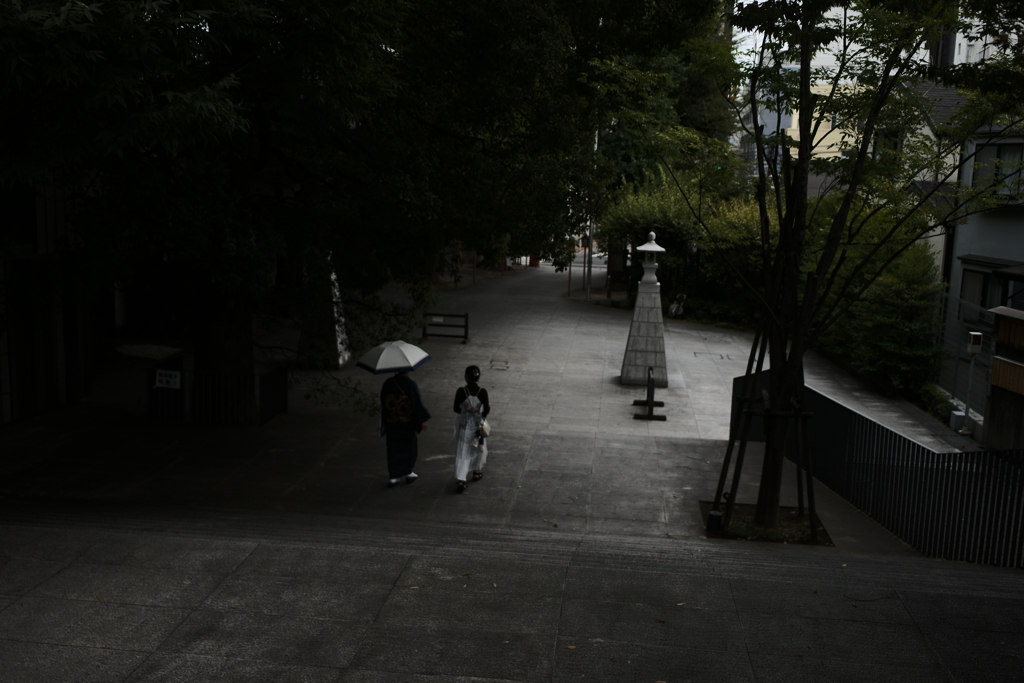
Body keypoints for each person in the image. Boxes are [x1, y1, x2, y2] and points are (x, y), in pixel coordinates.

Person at [380, 370, 430, 487]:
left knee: (393, 448)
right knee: (409, 447)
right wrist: (422, 420)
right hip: (406, 422)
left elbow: (383, 399)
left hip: (391, 422)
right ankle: (408, 472)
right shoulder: (410, 384)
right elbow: (416, 403)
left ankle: (393, 476)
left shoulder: (388, 383)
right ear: (407, 370)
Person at [452, 365, 490, 493]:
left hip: (464, 427)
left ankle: (461, 480)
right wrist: (481, 416)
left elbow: (456, 408)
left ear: (466, 377)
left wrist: (465, 412)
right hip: (477, 427)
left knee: (463, 451)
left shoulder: (461, 391)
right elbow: (487, 409)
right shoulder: (483, 391)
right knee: (478, 448)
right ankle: (476, 472)